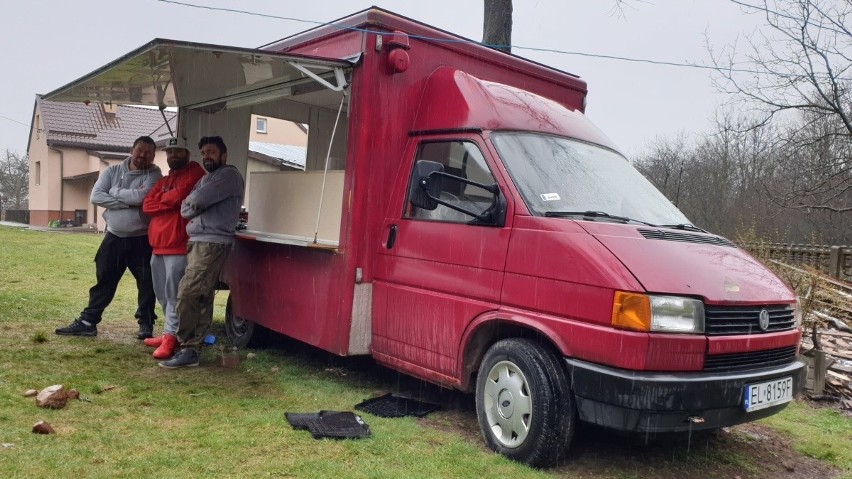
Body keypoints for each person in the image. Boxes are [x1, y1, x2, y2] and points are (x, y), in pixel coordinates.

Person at [56, 136, 162, 339]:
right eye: (140, 150)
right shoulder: (112, 171)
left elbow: (143, 198)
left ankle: (146, 324)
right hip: (113, 236)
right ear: (132, 149)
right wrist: (128, 202)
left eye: (148, 152)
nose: (143, 155)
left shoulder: (154, 174)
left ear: (153, 155)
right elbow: (96, 196)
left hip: (141, 239)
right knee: (104, 280)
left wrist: (115, 193)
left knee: (147, 283)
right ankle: (88, 322)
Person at [159, 136, 244, 369]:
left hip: (211, 242)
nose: (207, 156)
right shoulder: (207, 178)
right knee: (202, 295)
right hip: (197, 241)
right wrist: (193, 203)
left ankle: (187, 346)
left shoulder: (228, 175)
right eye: (204, 153)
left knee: (188, 292)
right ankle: (192, 350)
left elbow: (195, 200)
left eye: (212, 152)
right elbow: (187, 208)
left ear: (223, 156)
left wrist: (194, 203)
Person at [141, 137, 206, 359]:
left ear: (187, 154)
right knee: (161, 293)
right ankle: (170, 332)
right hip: (157, 246)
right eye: (169, 153)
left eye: (177, 152)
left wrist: (166, 199)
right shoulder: (165, 180)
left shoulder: (195, 172)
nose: (172, 156)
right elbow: (147, 205)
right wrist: (167, 201)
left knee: (175, 294)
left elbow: (180, 195)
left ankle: (172, 337)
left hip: (178, 246)